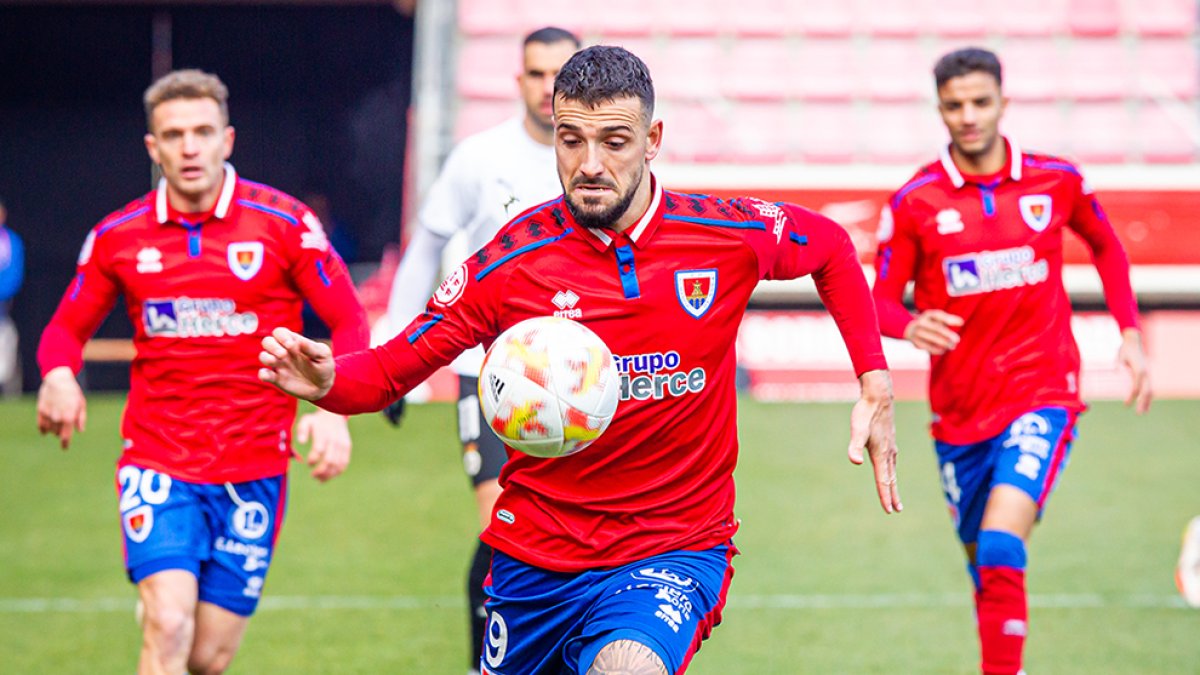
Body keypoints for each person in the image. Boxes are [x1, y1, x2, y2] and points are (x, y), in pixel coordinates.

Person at [260, 45, 902, 674]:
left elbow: (830, 248)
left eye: (614, 141)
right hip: (535, 560)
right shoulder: (509, 263)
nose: (590, 164)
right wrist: (329, 382)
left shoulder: (723, 235)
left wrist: (875, 381)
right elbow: (391, 370)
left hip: (672, 551)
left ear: (653, 138)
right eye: (571, 139)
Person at [35, 69, 368, 675]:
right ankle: (166, 600)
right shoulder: (118, 236)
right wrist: (58, 374)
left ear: (228, 139)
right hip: (158, 459)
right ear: (152, 147)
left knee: (207, 657)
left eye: (202, 132)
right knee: (168, 624)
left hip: (255, 466)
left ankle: (174, 606)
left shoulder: (286, 225)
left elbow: (349, 323)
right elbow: (63, 331)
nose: (189, 147)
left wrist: (331, 409)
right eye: (174, 134)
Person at [872, 47, 1152, 675]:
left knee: (1001, 541)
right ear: (939, 108)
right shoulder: (915, 201)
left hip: (1043, 390)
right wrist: (913, 324)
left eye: (980, 102)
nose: (968, 116)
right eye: (954, 105)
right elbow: (879, 303)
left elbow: (1108, 248)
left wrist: (1131, 334)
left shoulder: (1057, 179)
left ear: (1003, 100)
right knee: (986, 566)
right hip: (960, 413)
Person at [383, 25, 579, 672]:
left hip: (583, 378)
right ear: (517, 80)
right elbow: (424, 248)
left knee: (575, 529)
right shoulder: (479, 157)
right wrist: (394, 359)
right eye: (536, 73)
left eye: (561, 72)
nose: (549, 86)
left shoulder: (602, 158)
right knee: (505, 528)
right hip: (492, 372)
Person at [0, 197, 24, 396]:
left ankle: (10, 399)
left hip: (3, 311)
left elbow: (14, 276)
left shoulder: (11, 241)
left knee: (6, 360)